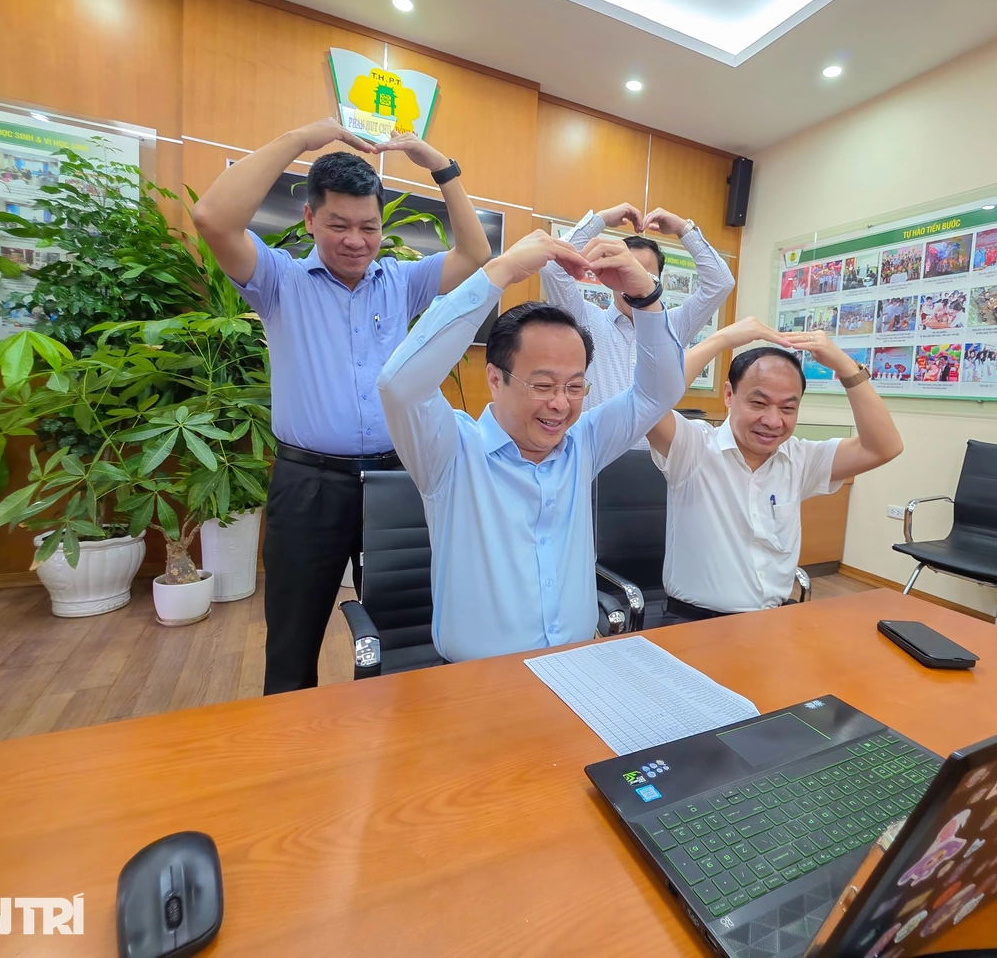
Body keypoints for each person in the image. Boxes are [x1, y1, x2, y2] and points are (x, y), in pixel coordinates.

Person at [191, 117, 492, 695]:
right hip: (309, 486)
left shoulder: (401, 282)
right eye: (338, 225)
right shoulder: (277, 280)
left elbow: (475, 252)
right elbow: (212, 218)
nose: (356, 240)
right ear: (309, 219)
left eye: (368, 227)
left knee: (407, 629)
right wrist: (301, 140)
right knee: (292, 640)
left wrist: (440, 166)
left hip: (395, 480)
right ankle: (292, 740)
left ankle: (402, 734)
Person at [377, 230, 684, 662]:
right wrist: (500, 271)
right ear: (495, 378)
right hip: (478, 680)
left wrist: (646, 299)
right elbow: (399, 385)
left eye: (574, 387)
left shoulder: (583, 443)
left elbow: (659, 393)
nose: (560, 404)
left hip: (578, 666)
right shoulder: (450, 450)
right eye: (542, 385)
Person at [645, 319, 903, 620]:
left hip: (774, 622)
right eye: (759, 403)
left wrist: (846, 367)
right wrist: (722, 339)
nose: (772, 421)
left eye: (787, 408)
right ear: (729, 395)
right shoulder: (693, 448)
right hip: (696, 622)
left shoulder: (800, 459)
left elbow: (884, 447)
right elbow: (649, 402)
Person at [539, 202, 734, 414]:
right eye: (625, 272)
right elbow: (552, 267)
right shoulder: (584, 319)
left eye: (645, 276)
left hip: (655, 437)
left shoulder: (672, 325)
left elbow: (721, 283)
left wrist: (683, 229)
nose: (632, 284)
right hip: (595, 436)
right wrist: (601, 219)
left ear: (659, 282)